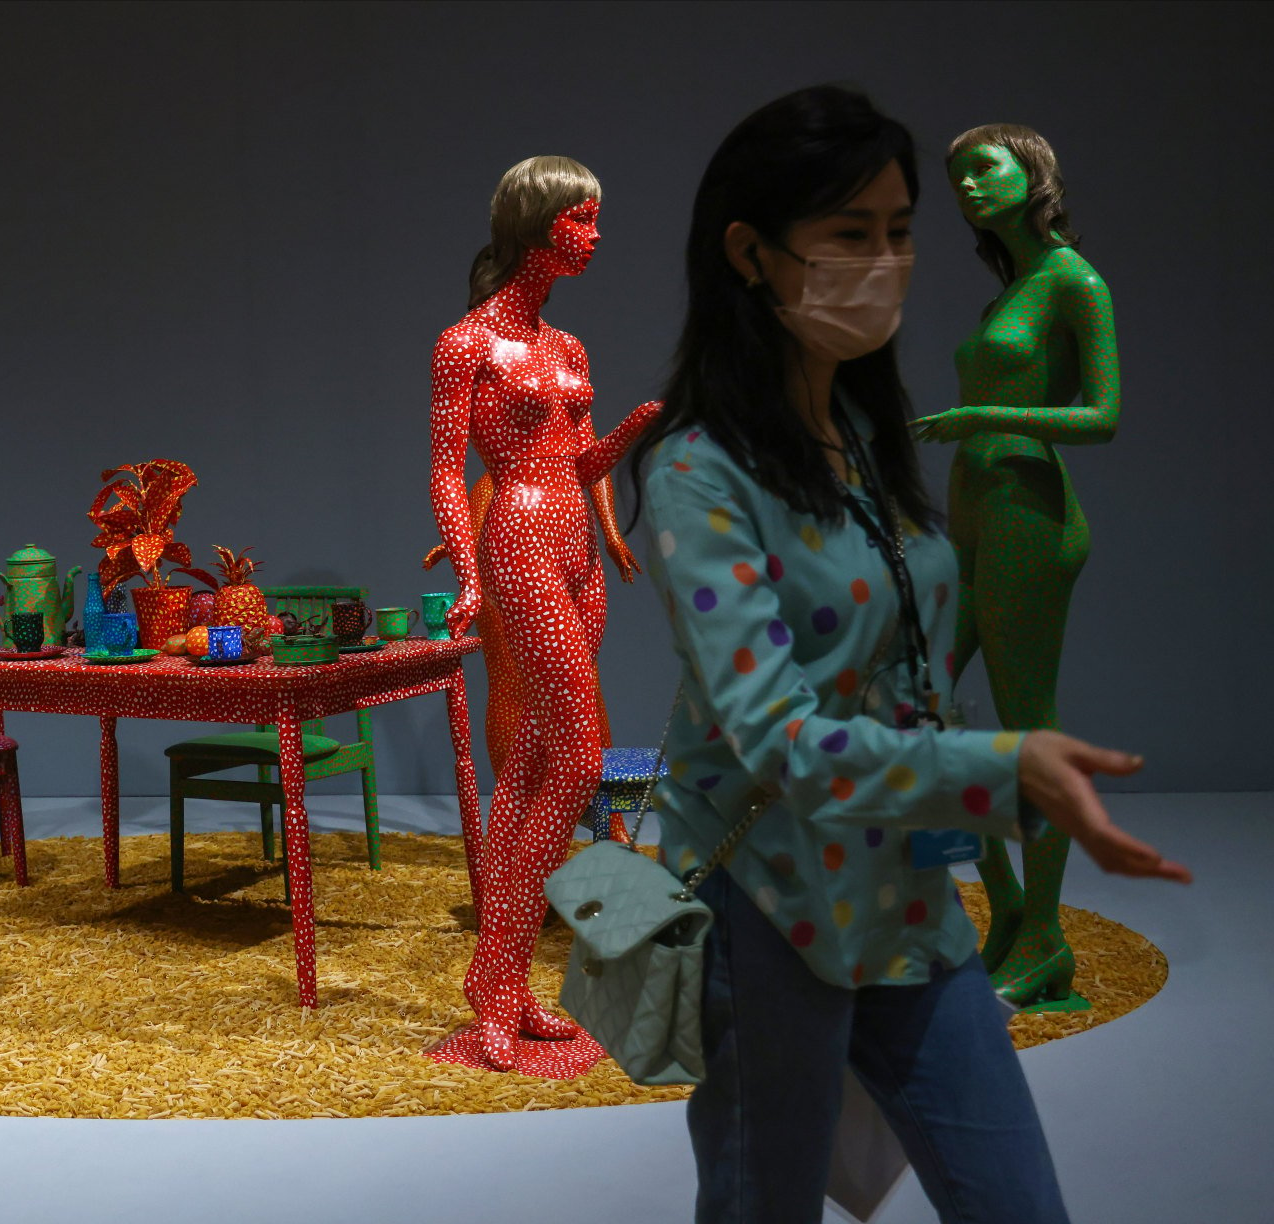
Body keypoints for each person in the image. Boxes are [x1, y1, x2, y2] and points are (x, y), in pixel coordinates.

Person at [626, 86, 1188, 1222]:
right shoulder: (697, 473)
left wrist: (978, 789)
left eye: (898, 231)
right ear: (750, 254)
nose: (884, 263)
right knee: (761, 1205)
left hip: (906, 898)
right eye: (848, 235)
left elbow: (905, 666)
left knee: (1017, 1200)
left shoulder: (868, 439)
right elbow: (775, 737)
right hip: (769, 903)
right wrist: (998, 769)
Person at [426, 155, 656, 1072]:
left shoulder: (568, 349)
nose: (594, 237)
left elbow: (577, 464)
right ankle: (494, 975)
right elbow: (448, 466)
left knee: (531, 762)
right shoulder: (465, 343)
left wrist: (631, 432)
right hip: (516, 541)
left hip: (574, 553)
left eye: (596, 219)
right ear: (535, 228)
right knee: (578, 758)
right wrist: (472, 575)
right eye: (581, 221)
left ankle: (507, 987)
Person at [913, 124, 1119, 1009]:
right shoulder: (1011, 292)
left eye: (981, 170)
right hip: (974, 520)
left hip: (1029, 519)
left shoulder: (1073, 282)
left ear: (1030, 172)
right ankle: (1004, 913)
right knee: (918, 705)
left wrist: (981, 416)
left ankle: (1044, 943)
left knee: (1025, 731)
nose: (965, 187)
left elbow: (1103, 415)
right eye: (955, 176)